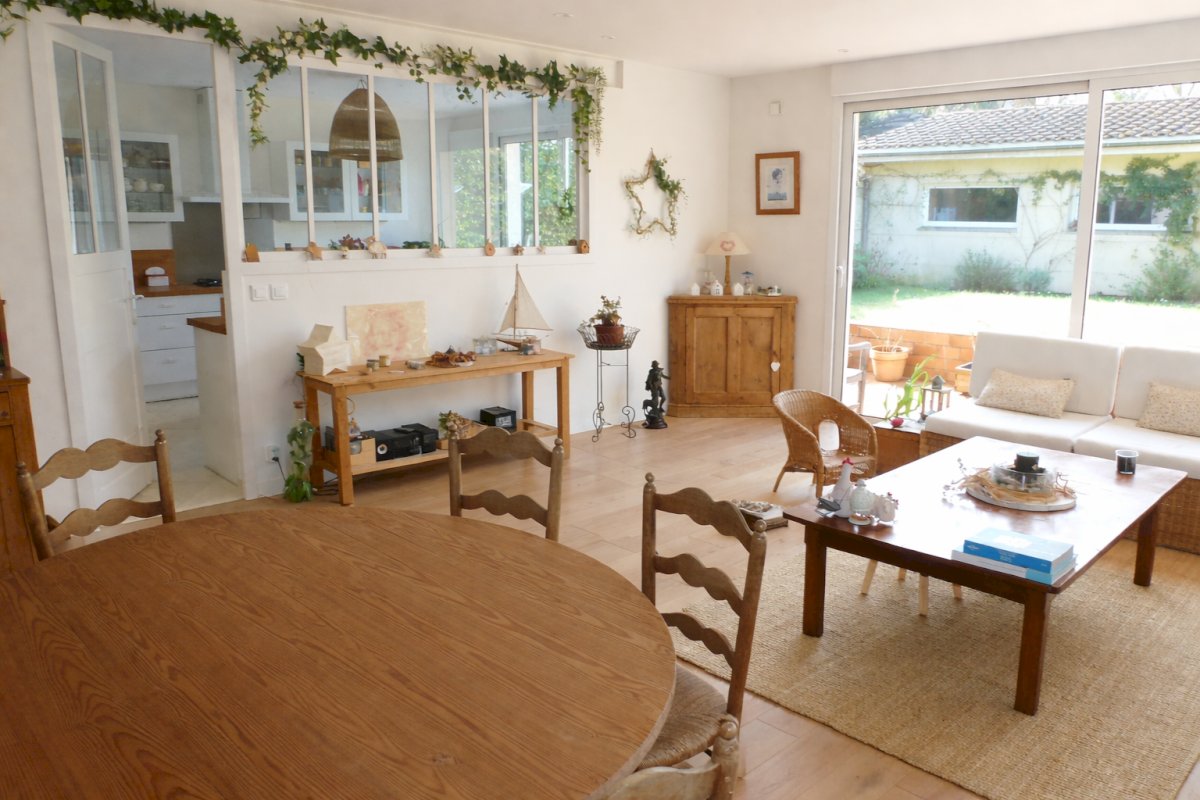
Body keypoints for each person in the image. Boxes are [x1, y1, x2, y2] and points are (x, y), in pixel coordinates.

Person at [643, 360, 669, 429]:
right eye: (654, 364)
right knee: (655, 401)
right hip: (654, 387)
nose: (656, 365)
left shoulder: (659, 370)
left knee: (664, 398)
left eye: (656, 364)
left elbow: (663, 376)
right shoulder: (651, 371)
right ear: (653, 365)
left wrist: (670, 378)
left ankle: (660, 407)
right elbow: (649, 380)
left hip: (659, 386)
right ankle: (653, 411)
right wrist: (652, 388)